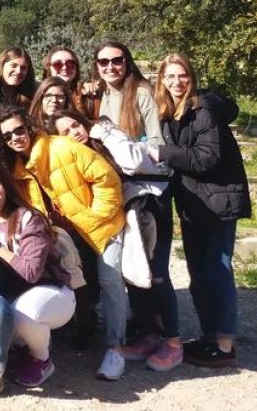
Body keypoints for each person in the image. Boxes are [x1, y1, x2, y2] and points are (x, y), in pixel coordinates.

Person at [0, 106, 128, 381]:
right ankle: (81, 330)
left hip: (101, 225)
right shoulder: (17, 169)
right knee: (78, 282)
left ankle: (116, 348)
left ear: (29, 126)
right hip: (64, 234)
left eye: (19, 130)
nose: (16, 137)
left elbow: (107, 178)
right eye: (8, 135)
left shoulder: (63, 147)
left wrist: (94, 216)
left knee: (110, 280)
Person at [50, 109, 180, 372]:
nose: (74, 132)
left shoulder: (106, 137)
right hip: (110, 218)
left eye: (76, 125)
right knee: (132, 277)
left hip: (144, 209)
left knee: (153, 275)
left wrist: (105, 132)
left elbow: (132, 162)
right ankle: (149, 335)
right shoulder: (69, 157)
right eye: (66, 132)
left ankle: (169, 342)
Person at [153, 53, 251, 368]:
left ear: (191, 77)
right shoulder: (169, 112)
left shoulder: (203, 109)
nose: (176, 82)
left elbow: (207, 157)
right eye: (170, 76)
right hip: (194, 203)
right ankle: (210, 337)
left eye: (182, 75)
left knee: (217, 269)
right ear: (161, 80)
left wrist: (162, 152)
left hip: (218, 202)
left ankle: (224, 345)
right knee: (198, 272)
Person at [0, 164, 75, 391]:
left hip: (52, 292)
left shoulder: (29, 219)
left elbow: (31, 272)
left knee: (23, 313)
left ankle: (41, 358)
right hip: (13, 293)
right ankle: (21, 347)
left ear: (7, 186)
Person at [90, 40, 162, 145]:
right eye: (103, 62)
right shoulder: (101, 92)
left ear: (127, 64)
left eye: (117, 60)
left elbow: (157, 140)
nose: (110, 67)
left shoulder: (142, 94)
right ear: (97, 67)